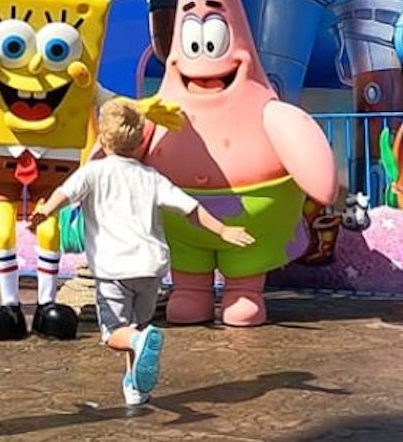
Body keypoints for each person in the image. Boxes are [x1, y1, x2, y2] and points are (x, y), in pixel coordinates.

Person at [27, 96, 255, 407]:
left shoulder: (94, 172)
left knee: (115, 334)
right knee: (140, 326)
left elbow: (64, 194)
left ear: (103, 139)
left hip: (114, 271)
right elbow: (190, 208)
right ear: (137, 142)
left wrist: (45, 212)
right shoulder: (151, 177)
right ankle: (135, 387)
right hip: (151, 269)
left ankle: (136, 342)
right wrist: (224, 230)